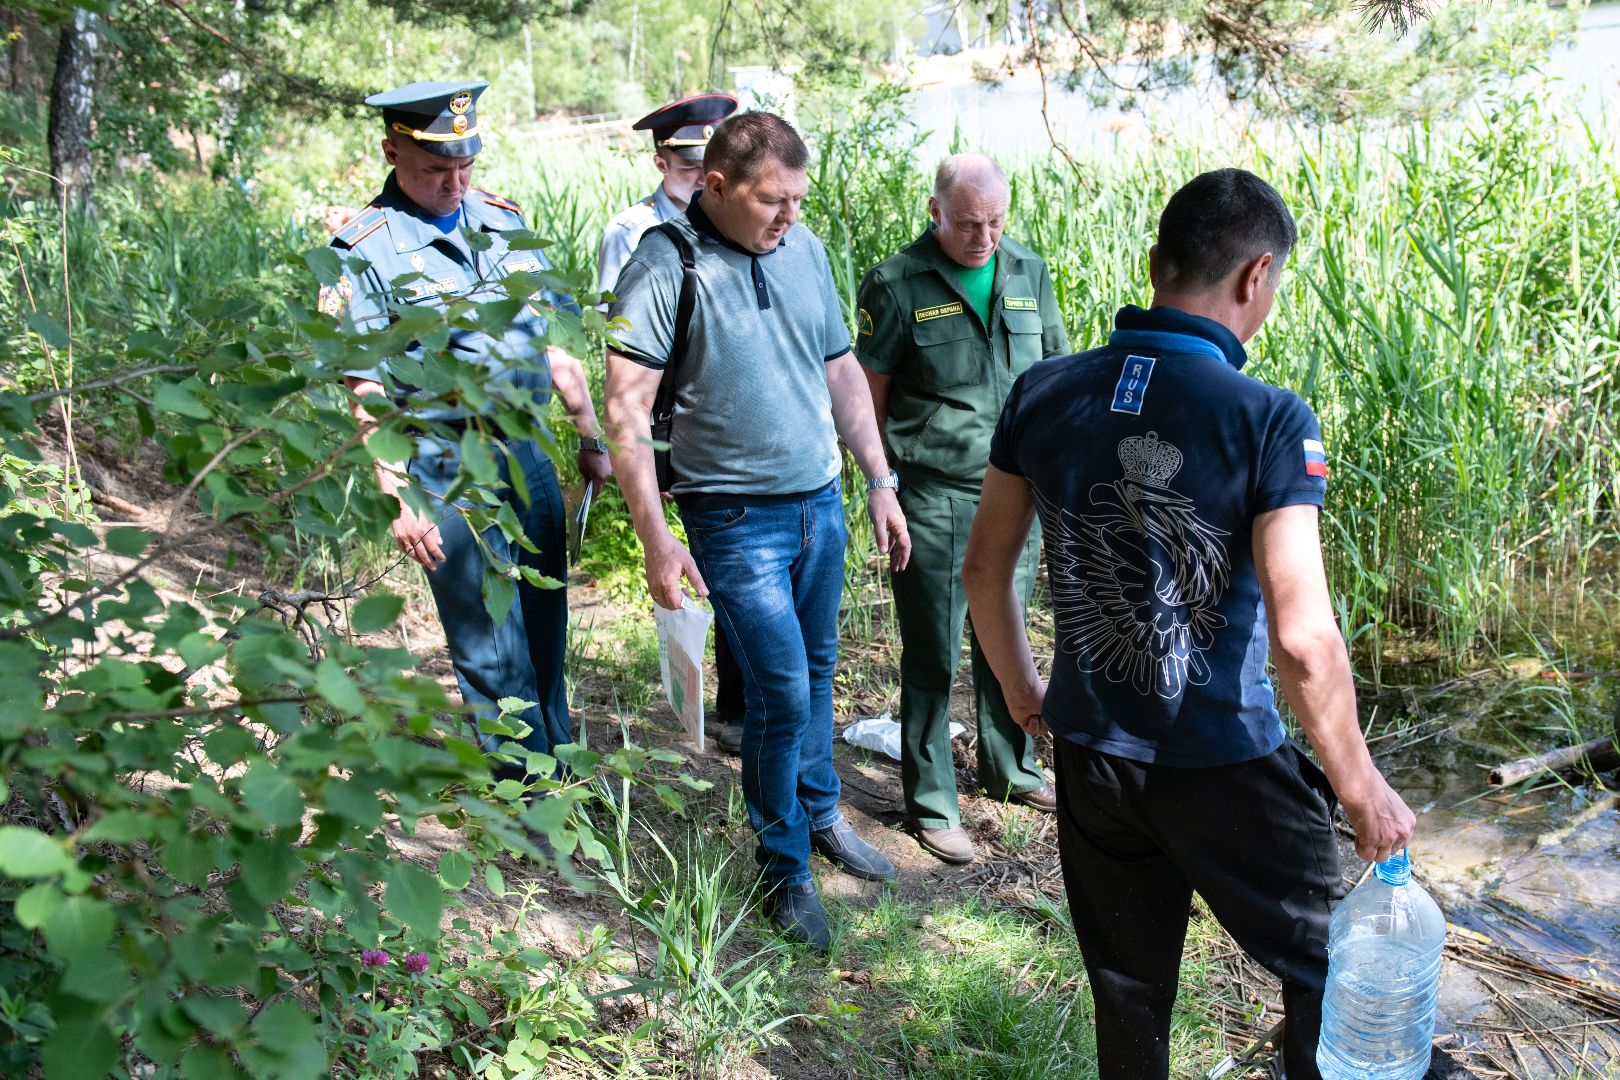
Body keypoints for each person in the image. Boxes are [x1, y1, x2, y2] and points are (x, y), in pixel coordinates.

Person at [961, 168, 1416, 1080]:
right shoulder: (1268, 419)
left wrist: (1023, 691)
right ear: (1256, 275)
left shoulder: (1044, 392)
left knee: (1129, 989)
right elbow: (1303, 639)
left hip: (1092, 754)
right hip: (1222, 762)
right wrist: (1359, 783)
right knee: (1327, 968)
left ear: (1156, 262)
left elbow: (983, 568)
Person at [603, 112, 911, 952]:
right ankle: (783, 867)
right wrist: (656, 539)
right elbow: (625, 411)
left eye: (798, 199)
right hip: (734, 519)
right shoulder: (663, 264)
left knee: (816, 670)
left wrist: (879, 479)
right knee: (779, 691)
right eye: (773, 200)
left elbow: (840, 369)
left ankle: (819, 813)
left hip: (820, 504)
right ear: (715, 186)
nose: (790, 216)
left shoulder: (803, 248)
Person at [324, 80, 612, 781]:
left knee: (545, 616)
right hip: (443, 463)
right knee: (488, 637)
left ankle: (559, 766)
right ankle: (524, 790)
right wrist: (397, 492)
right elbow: (364, 385)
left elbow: (554, 343)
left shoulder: (503, 220)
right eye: (435, 169)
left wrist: (590, 434)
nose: (454, 183)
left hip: (525, 450)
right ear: (391, 151)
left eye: (465, 166)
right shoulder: (363, 248)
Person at [854, 154, 1068, 865]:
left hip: (1018, 489)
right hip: (934, 491)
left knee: (1007, 636)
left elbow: (1055, 372)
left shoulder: (1027, 271)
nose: (985, 238)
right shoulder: (897, 283)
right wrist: (881, 483)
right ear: (935, 212)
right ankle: (932, 800)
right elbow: (868, 392)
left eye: (996, 222)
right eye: (970, 223)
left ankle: (1010, 768)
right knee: (934, 650)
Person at [596, 92, 750, 755]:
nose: (701, 180)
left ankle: (738, 704)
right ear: (662, 162)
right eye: (689, 168)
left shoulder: (738, 221)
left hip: (731, 414)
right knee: (694, 553)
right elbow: (622, 345)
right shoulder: (633, 233)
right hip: (667, 417)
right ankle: (689, 687)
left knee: (738, 559)